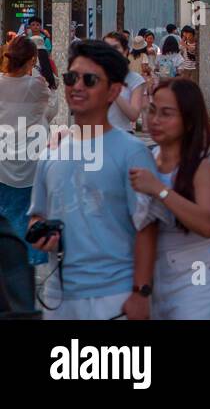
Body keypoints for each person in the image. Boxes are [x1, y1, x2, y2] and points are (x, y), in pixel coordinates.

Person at [27, 40, 161, 319]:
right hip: (59, 295)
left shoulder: (132, 152)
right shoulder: (51, 152)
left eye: (89, 80)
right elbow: (36, 216)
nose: (77, 86)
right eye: (70, 78)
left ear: (113, 91)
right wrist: (41, 233)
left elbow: (147, 228)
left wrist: (141, 292)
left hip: (115, 295)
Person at [127, 78, 210, 319]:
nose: (155, 120)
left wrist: (160, 190)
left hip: (197, 278)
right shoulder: (147, 159)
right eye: (152, 110)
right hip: (158, 276)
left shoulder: (201, 167)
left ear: (188, 120)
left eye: (166, 113)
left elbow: (207, 224)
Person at [0, 35, 56, 264]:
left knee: (5, 209)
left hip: (2, 155)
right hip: (31, 156)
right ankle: (28, 262)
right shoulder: (36, 85)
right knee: (29, 211)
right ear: (31, 60)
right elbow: (51, 108)